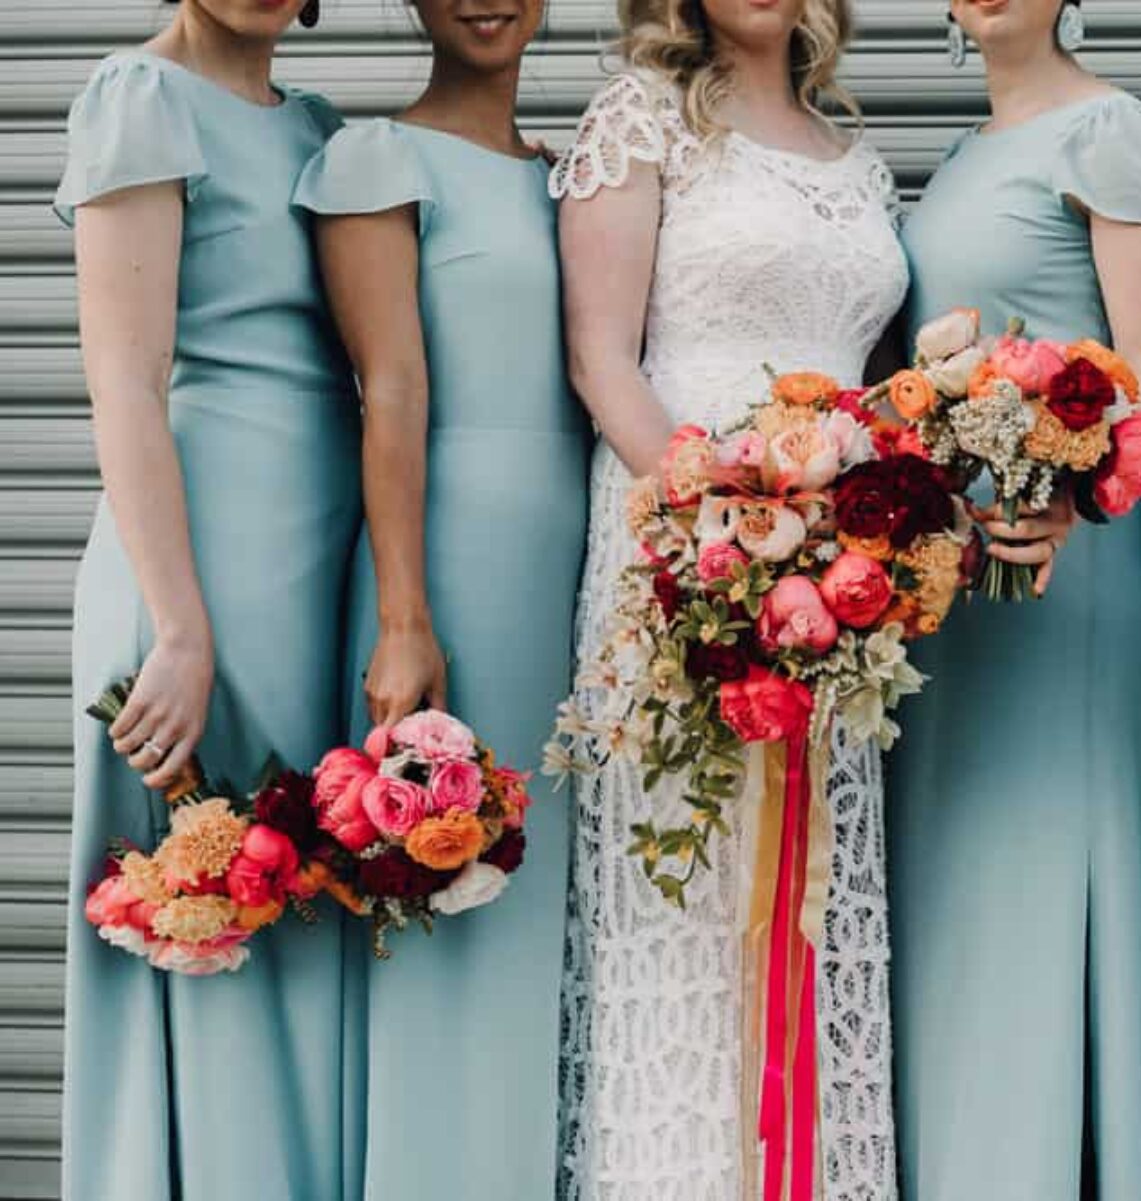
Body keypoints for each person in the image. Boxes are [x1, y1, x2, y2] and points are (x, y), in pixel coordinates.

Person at [549, 1, 908, 1195]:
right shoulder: (640, 120)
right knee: (685, 893)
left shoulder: (859, 162)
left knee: (810, 889)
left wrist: (837, 547)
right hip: (679, 551)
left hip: (834, 581)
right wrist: (728, 526)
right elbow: (602, 358)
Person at [886, 2, 1141, 1196]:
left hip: (1069, 562)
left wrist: (1082, 493)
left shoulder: (1118, 134)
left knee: (1043, 884)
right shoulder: (965, 156)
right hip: (962, 593)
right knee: (961, 903)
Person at [55, 0, 357, 1196]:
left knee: (298, 902)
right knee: (206, 906)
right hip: (198, 566)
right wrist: (177, 627)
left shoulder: (318, 129)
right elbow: (122, 381)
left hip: (314, 563)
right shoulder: (142, 99)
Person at [294, 0, 590, 1195]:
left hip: (581, 565)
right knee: (458, 892)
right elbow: (392, 387)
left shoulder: (573, 176)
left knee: (555, 906)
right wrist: (406, 613)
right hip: (456, 560)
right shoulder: (378, 158)